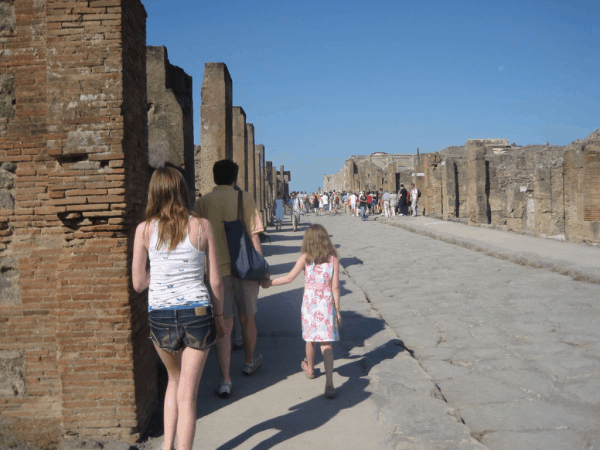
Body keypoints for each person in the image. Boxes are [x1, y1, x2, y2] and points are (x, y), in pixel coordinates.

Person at [132, 167, 225, 450]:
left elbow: (138, 283)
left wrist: (159, 278)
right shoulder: (201, 226)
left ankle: (167, 446)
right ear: (182, 191)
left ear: (154, 193)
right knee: (188, 394)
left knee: (174, 381)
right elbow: (216, 281)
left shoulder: (144, 230)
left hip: (160, 315)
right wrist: (220, 318)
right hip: (197, 313)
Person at [194, 160, 266, 398]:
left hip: (216, 271)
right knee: (247, 318)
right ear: (235, 178)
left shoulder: (202, 203)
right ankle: (249, 361)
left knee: (224, 325)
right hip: (244, 268)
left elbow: (196, 238)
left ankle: (225, 380)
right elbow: (255, 237)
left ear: (214, 178)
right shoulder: (244, 198)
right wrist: (262, 268)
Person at [261, 224, 341, 398]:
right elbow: (335, 288)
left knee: (310, 339)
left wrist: (269, 283)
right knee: (326, 344)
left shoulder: (305, 257)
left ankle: (310, 369)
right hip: (326, 304)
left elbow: (289, 278)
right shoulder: (333, 257)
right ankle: (329, 384)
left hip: (311, 304)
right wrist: (338, 310)